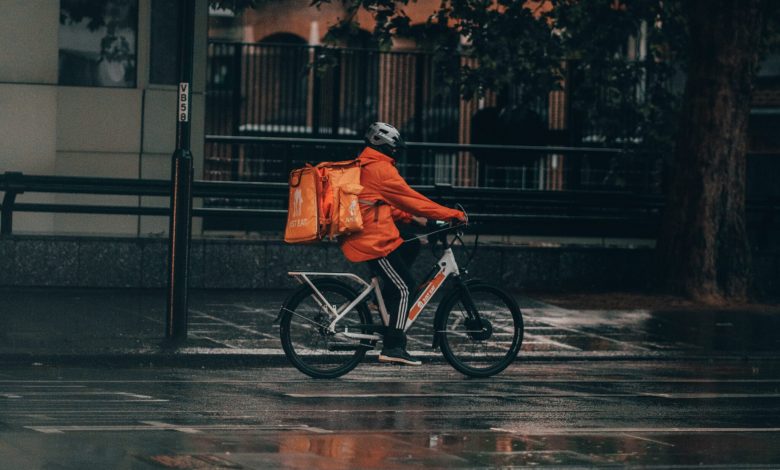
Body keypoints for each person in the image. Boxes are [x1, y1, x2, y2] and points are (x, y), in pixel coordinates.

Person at [340, 122, 466, 366]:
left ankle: (384, 300)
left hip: (370, 233)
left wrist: (415, 220)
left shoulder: (368, 164)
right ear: (386, 146)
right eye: (395, 147)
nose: (397, 152)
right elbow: (412, 199)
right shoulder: (381, 169)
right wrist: (452, 214)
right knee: (405, 285)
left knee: (410, 244)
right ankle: (394, 346)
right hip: (372, 240)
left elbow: (383, 205)